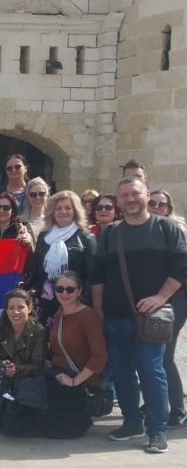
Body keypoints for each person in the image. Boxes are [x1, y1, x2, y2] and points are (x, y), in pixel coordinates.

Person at [92, 177, 187, 453]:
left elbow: (182, 266)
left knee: (151, 370)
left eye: (135, 194)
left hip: (153, 317)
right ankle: (132, 422)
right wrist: (98, 310)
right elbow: (98, 274)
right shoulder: (110, 233)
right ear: (118, 200)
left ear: (146, 194)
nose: (130, 199)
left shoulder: (165, 227)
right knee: (121, 372)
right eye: (124, 196)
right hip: (116, 315)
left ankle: (157, 431)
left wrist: (160, 297)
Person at [42, 271, 107, 439]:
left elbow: (99, 356)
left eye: (70, 289)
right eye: (60, 289)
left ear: (79, 291)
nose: (64, 293)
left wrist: (74, 381)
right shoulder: (59, 314)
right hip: (58, 374)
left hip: (80, 380)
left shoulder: (88, 315)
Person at [149, 189, 187, 426]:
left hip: (175, 300)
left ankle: (177, 407)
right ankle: (156, 401)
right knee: (150, 355)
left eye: (161, 204)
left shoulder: (176, 231)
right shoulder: (143, 229)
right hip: (151, 300)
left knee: (165, 355)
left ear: (168, 208)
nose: (155, 207)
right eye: (151, 202)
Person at [30, 190, 96, 329]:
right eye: (58, 208)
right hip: (45, 301)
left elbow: (92, 275)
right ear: (52, 212)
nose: (63, 212)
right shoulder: (44, 237)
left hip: (73, 300)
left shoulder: (86, 238)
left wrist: (86, 303)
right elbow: (36, 270)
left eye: (67, 208)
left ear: (75, 211)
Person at [0, 289, 46, 396]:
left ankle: (22, 409)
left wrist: (17, 369)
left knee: (24, 382)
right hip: (3, 373)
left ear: (29, 309)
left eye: (20, 307)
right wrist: (3, 366)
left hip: (26, 375)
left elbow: (37, 365)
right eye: (11, 308)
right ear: (6, 311)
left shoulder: (39, 331)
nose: (16, 312)